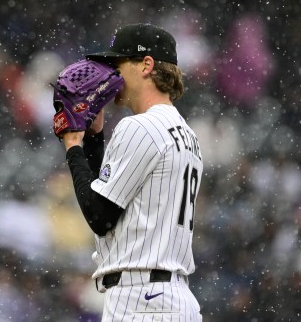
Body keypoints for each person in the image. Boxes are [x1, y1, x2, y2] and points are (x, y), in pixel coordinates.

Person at [58, 23, 203, 321]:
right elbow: (114, 203)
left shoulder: (140, 127)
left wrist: (73, 145)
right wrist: (95, 139)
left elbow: (99, 216)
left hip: (141, 299)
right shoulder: (187, 135)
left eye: (118, 64)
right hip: (172, 298)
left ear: (146, 65)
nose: (111, 75)